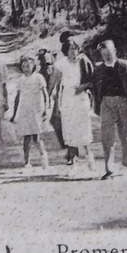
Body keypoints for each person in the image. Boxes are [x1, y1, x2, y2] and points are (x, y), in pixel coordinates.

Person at [90, 39, 127, 179]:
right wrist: (96, 106)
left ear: (114, 51)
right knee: (107, 135)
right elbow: (95, 88)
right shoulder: (98, 69)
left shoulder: (125, 66)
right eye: (104, 55)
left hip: (122, 102)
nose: (107, 57)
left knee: (124, 133)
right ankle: (109, 168)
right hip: (106, 103)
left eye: (109, 53)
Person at [52, 34, 96, 172]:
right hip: (67, 98)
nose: (73, 51)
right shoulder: (61, 64)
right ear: (65, 50)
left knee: (83, 128)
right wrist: (55, 105)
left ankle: (89, 157)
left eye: (75, 48)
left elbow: (94, 81)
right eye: (70, 49)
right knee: (69, 130)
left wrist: (83, 87)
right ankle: (73, 161)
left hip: (81, 97)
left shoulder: (84, 61)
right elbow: (57, 86)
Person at [11, 54, 52, 169]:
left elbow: (45, 94)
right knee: (26, 138)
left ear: (33, 66)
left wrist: (46, 108)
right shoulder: (20, 80)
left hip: (36, 110)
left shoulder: (38, 77)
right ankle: (27, 162)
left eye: (28, 66)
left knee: (36, 137)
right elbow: (17, 97)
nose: (26, 68)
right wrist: (14, 114)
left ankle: (43, 156)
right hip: (25, 110)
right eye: (24, 66)